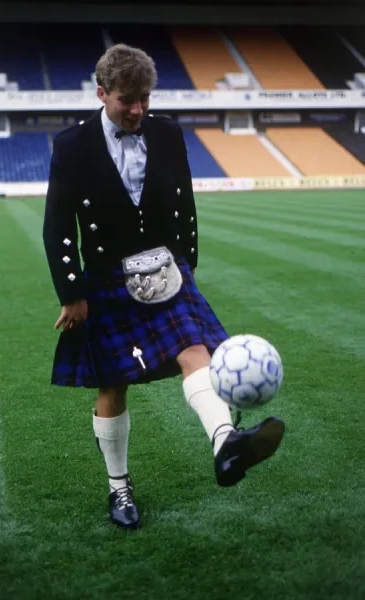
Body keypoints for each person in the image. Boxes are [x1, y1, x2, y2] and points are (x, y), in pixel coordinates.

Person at [43, 43, 285, 530]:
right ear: (102, 93)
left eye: (144, 99)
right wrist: (72, 292)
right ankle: (119, 488)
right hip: (108, 275)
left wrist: (186, 264)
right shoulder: (72, 145)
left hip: (165, 268)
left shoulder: (168, 133)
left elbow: (184, 202)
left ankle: (225, 443)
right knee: (113, 383)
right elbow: (58, 225)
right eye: (127, 100)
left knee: (193, 348)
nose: (137, 110)